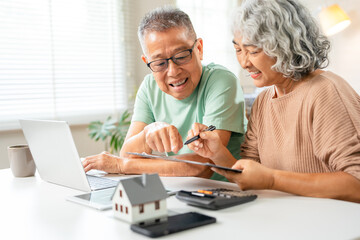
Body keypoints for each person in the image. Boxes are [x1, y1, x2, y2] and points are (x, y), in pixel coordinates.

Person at [187, 0, 360, 202]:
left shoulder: (326, 92)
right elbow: (249, 175)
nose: (244, 63)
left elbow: (356, 183)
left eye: (253, 51)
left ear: (285, 47)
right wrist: (217, 153)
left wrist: (272, 179)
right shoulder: (263, 102)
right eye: (238, 50)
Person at [83, 7, 247, 181]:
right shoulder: (149, 87)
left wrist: (120, 166)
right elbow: (128, 154)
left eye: (182, 55)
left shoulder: (222, 81)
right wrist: (146, 134)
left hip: (228, 193)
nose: (173, 71)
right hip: (180, 190)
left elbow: (202, 166)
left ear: (199, 49)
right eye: (160, 63)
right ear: (147, 62)